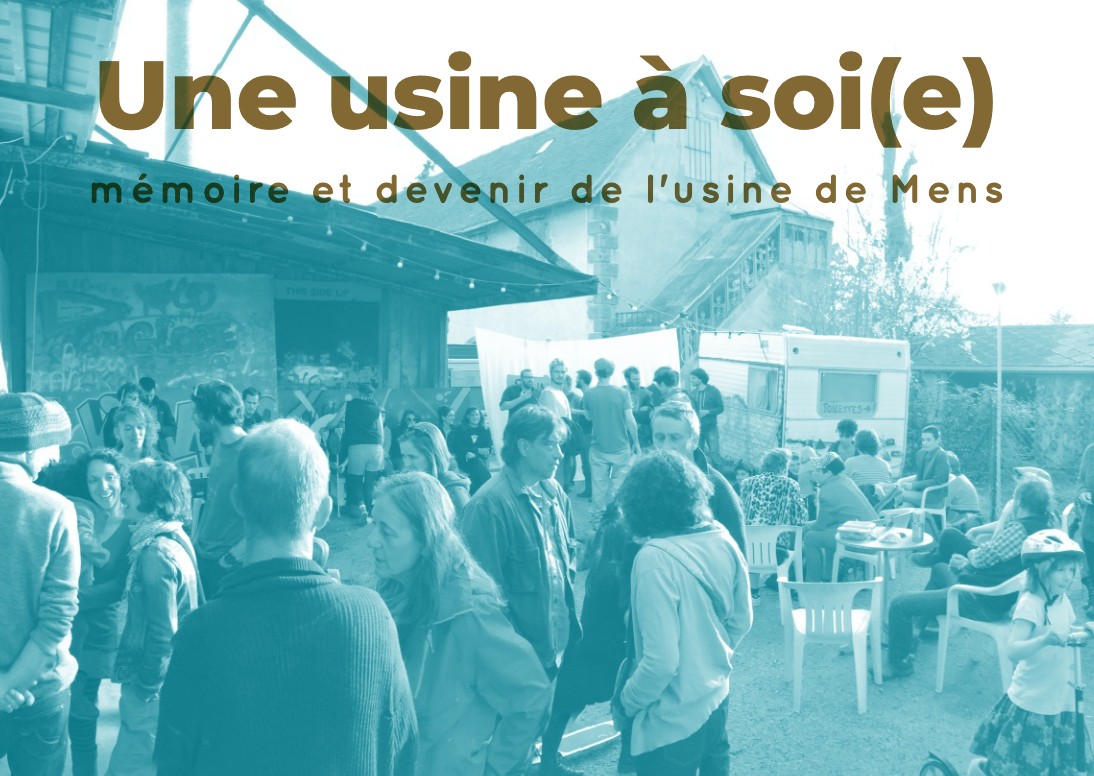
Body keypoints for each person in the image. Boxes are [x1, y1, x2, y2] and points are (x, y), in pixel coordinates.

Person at [155, 420, 417, 775]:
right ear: (324, 512)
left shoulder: (200, 632)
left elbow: (173, 764)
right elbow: (402, 751)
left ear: (238, 502)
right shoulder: (373, 617)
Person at [369, 473, 551, 776]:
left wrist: (494, 769)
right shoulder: (391, 594)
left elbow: (531, 697)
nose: (372, 540)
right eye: (373, 524)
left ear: (426, 539)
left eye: (386, 531)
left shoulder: (470, 614)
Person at [612, 450, 752, 776]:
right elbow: (743, 620)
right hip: (716, 697)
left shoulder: (653, 558)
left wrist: (625, 703)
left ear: (638, 503)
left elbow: (660, 664)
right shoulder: (721, 535)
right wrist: (708, 658)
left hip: (671, 721)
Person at [886, 476, 1059, 679]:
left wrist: (967, 563)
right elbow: (1001, 563)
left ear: (1019, 501)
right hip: (995, 596)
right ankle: (914, 635)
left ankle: (899, 663)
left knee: (899, 604)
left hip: (978, 600)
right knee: (940, 568)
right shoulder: (1045, 527)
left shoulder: (1020, 529)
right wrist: (968, 565)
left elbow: (982, 558)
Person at [461, 405, 580, 680]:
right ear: (524, 446)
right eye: (549, 444)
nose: (559, 454)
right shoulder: (488, 505)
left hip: (558, 647)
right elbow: (482, 597)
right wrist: (510, 655)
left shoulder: (554, 492)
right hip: (518, 658)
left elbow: (568, 558)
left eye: (559, 444)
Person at [106, 460, 202, 776]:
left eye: (131, 489)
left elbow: (163, 634)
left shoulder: (154, 552)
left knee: (129, 767)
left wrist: (145, 687)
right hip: (174, 679)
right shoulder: (174, 537)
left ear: (153, 498)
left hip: (153, 685)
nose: (123, 495)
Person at [0, 392, 78, 776]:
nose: (53, 458)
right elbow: (56, 619)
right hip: (40, 691)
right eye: (51, 446)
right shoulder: (55, 509)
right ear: (30, 447)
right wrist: (9, 686)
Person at [968, 530, 1089, 776]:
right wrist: (1043, 640)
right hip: (1032, 700)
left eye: (1071, 570)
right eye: (1060, 570)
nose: (1067, 577)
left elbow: (1066, 630)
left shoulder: (1061, 600)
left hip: (1058, 696)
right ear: (1041, 569)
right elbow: (1013, 649)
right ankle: (978, 770)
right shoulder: (1030, 604)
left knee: (1058, 765)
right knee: (1018, 766)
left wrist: (1085, 630)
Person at [61, 450, 132, 776]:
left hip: (99, 631)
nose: (102, 487)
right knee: (69, 705)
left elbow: (118, 586)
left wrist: (70, 598)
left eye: (109, 477)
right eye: (94, 480)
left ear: (121, 479)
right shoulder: (79, 514)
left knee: (83, 707)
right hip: (64, 629)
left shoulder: (133, 524)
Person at [651, 401, 747, 551]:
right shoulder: (643, 482)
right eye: (660, 437)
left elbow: (737, 553)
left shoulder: (718, 489)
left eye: (675, 438)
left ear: (694, 440)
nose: (666, 446)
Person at [190, 379, 247, 597]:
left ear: (212, 416)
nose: (193, 417)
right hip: (205, 555)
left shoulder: (250, 454)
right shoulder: (219, 444)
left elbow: (267, 515)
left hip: (228, 564)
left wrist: (232, 557)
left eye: (196, 412)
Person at [740, 449, 808, 598]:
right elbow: (801, 519)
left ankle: (754, 593)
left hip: (748, 551)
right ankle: (793, 590)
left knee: (755, 538)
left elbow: (741, 514)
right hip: (777, 553)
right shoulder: (791, 485)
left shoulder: (747, 483)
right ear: (784, 466)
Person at [803, 453, 878, 581]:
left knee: (810, 538)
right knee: (828, 532)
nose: (813, 473)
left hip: (860, 537)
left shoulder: (826, 491)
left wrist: (804, 525)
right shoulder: (846, 480)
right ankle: (829, 576)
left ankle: (812, 582)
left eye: (817, 470)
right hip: (872, 532)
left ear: (828, 473)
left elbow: (820, 525)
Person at [584, 358, 640, 525]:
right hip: (620, 447)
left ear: (596, 373)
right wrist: (636, 443)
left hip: (598, 447)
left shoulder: (589, 394)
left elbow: (588, 417)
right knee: (619, 487)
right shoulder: (623, 393)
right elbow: (630, 420)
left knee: (598, 488)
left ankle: (596, 522)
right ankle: (617, 520)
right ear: (612, 372)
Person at [335, 383, 384, 518]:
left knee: (354, 481)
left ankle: (362, 508)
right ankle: (368, 513)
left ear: (358, 392)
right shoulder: (376, 409)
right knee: (369, 483)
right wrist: (380, 451)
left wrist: (325, 428)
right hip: (376, 448)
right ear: (371, 394)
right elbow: (381, 434)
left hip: (358, 448)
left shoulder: (349, 405)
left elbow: (334, 422)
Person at [399, 422, 471, 513]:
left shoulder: (454, 491)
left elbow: (467, 521)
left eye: (412, 457)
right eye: (403, 456)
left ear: (432, 456)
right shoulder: (410, 483)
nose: (406, 463)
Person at [898, 425, 951, 508]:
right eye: (923, 440)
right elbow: (919, 476)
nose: (925, 443)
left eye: (928, 440)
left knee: (897, 495)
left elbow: (938, 481)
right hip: (920, 494)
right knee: (904, 508)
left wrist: (913, 485)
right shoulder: (921, 453)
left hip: (934, 497)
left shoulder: (941, 455)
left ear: (937, 440)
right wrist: (911, 487)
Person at [447, 406, 494, 494]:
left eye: (477, 414)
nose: (475, 417)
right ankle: (490, 488)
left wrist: (476, 454)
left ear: (480, 416)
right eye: (472, 415)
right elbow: (459, 448)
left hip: (479, 459)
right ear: (467, 416)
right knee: (478, 464)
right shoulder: (461, 429)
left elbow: (488, 448)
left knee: (477, 467)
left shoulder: (485, 429)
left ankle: (472, 492)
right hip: (465, 458)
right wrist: (477, 450)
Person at [842, 429, 892, 505]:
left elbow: (843, 487)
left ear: (857, 445)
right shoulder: (885, 465)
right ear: (876, 445)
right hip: (882, 506)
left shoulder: (850, 462)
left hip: (859, 506)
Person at [687, 368, 724, 467]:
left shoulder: (713, 391)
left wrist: (708, 412)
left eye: (693, 378)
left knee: (714, 453)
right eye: (691, 378)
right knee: (699, 453)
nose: (691, 380)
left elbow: (721, 408)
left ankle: (719, 472)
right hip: (697, 429)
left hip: (711, 428)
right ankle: (702, 473)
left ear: (700, 379)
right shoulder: (692, 393)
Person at [139, 377, 177, 457]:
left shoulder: (163, 405)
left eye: (151, 395)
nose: (149, 398)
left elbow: (174, 429)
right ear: (140, 391)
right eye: (146, 396)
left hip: (160, 451)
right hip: (140, 450)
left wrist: (160, 428)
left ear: (155, 391)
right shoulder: (134, 407)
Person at [571, 369, 594, 498]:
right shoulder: (587, 395)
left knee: (587, 462)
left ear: (583, 380)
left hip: (588, 433)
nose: (576, 380)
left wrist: (575, 411)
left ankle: (591, 491)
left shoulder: (588, 395)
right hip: (586, 433)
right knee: (586, 463)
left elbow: (590, 414)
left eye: (577, 378)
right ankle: (589, 489)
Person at [945, 451, 981, 529]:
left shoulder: (955, 480)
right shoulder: (958, 478)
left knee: (945, 526)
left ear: (949, 468)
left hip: (967, 514)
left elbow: (944, 503)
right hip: (961, 511)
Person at [102, 382, 142, 449]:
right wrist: (114, 449)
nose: (133, 400)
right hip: (118, 449)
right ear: (123, 397)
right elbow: (107, 433)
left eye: (135, 398)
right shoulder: (115, 412)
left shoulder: (141, 413)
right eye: (130, 397)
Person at [623, 367, 653, 449]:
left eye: (639, 379)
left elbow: (647, 415)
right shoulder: (620, 393)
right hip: (624, 434)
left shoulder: (645, 394)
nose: (638, 381)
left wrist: (627, 413)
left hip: (641, 435)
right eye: (635, 379)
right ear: (627, 379)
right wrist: (637, 414)